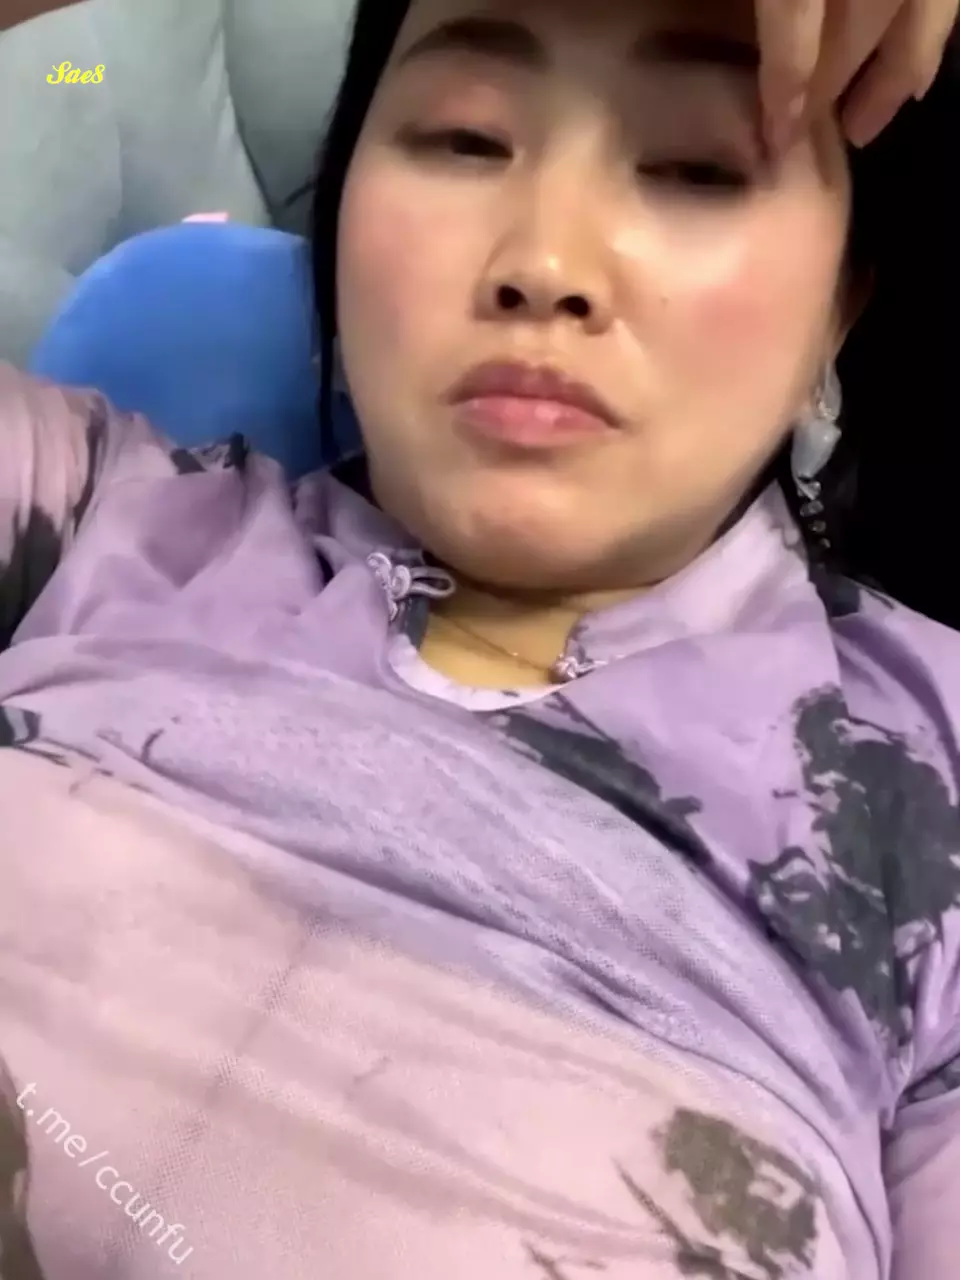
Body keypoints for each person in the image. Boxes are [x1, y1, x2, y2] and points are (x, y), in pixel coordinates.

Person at [1, 0, 960, 1276]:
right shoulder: (93, 515)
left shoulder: (929, 792)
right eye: (464, 138)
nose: (544, 260)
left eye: (695, 168)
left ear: (842, 306)